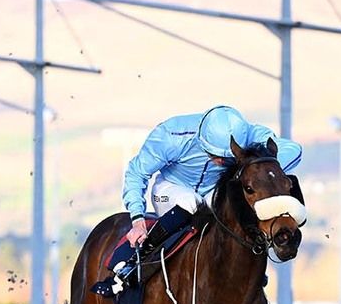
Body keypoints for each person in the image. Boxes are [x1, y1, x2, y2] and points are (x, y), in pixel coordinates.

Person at [115, 105, 302, 284]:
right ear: (202, 141)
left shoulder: (252, 134)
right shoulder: (172, 135)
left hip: (213, 192)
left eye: (227, 159)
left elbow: (293, 149)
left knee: (237, 203)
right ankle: (137, 262)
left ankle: (252, 270)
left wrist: (260, 169)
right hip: (171, 188)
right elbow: (136, 173)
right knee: (192, 203)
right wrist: (137, 219)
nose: (220, 162)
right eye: (214, 155)